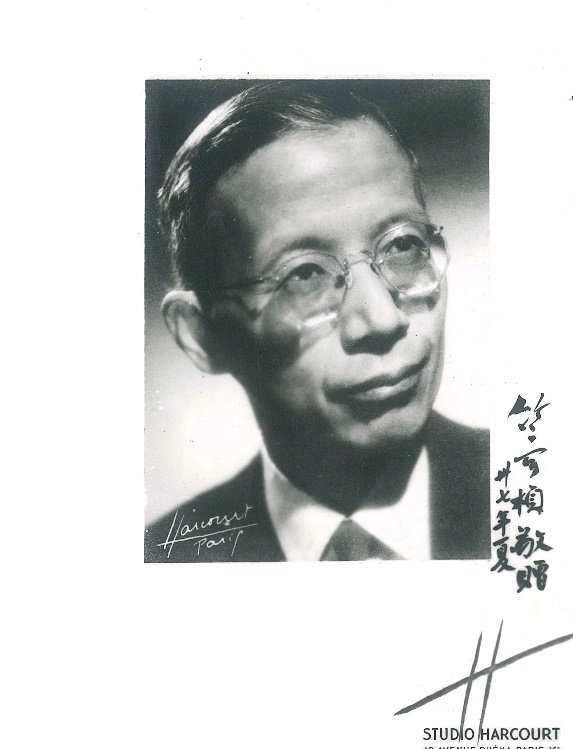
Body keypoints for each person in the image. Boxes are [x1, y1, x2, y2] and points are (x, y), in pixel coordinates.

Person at [144, 81, 489, 563]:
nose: (382, 319)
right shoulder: (166, 561)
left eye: (403, 245)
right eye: (304, 274)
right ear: (203, 335)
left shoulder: (542, 491)